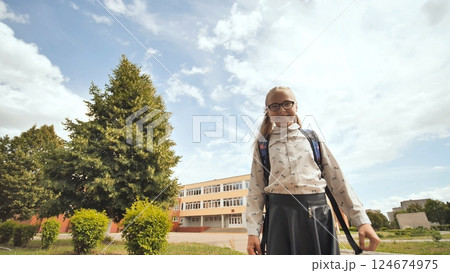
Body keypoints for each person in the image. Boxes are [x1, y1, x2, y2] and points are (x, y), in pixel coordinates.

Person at [246, 86, 380, 255]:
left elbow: (337, 180)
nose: (281, 109)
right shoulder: (263, 145)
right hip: (279, 218)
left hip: (319, 216)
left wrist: (362, 221)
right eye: (274, 106)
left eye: (287, 103)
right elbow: (255, 190)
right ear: (267, 112)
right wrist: (253, 232)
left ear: (296, 106)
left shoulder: (312, 138)